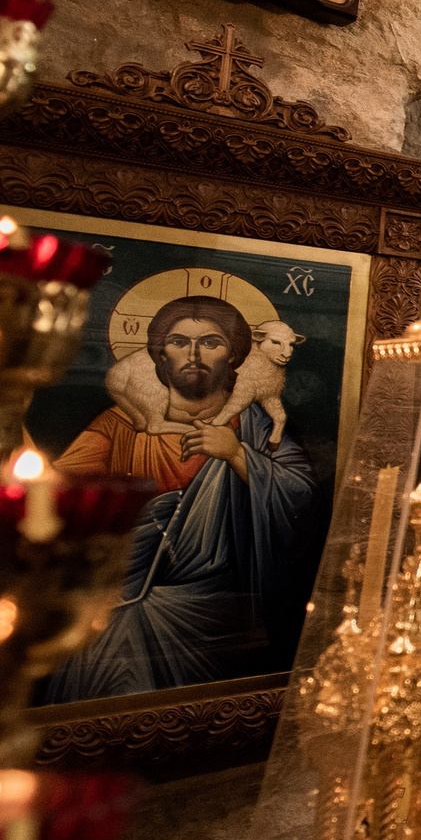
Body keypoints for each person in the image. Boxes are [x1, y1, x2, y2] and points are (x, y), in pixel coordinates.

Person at [41, 293, 317, 702]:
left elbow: (305, 498)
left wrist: (238, 454)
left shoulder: (255, 426)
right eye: (178, 341)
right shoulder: (119, 427)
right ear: (159, 354)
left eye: (210, 342)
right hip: (116, 604)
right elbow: (52, 496)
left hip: (221, 619)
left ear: (236, 355)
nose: (193, 354)